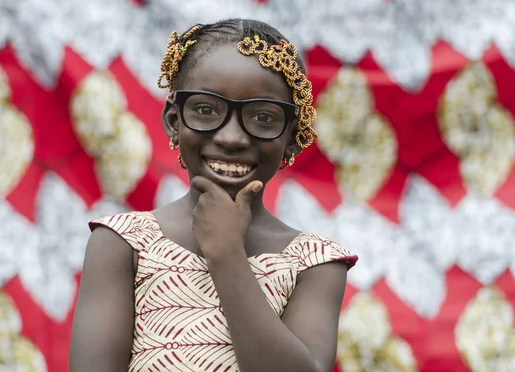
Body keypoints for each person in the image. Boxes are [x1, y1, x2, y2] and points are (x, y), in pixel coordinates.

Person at [69, 18, 358, 372]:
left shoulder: (313, 263)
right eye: (206, 110)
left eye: (263, 117)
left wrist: (226, 254)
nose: (232, 138)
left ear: (293, 137)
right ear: (175, 121)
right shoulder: (123, 243)